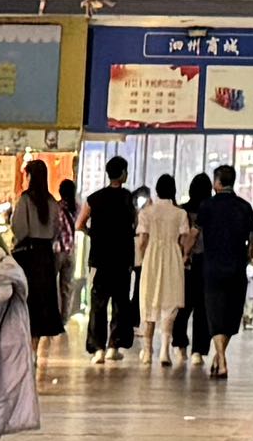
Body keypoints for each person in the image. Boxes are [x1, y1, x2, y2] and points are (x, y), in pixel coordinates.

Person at [195, 162, 253, 377]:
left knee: (214, 313)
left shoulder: (207, 206)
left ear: (217, 183)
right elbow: (252, 244)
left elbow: (195, 234)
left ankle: (220, 358)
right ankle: (220, 357)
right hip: (237, 268)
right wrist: (248, 259)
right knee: (231, 314)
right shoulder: (245, 207)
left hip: (212, 268)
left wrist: (185, 253)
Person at [136, 172, 196, 370]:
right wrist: (183, 255)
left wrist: (143, 257)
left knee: (149, 300)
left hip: (152, 257)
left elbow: (142, 240)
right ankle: (164, 351)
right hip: (172, 258)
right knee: (169, 303)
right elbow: (183, 239)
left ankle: (147, 351)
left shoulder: (146, 212)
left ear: (157, 190)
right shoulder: (180, 214)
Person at [81, 153, 138, 360]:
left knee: (98, 303)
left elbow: (80, 224)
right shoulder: (128, 198)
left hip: (99, 257)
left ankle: (98, 349)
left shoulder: (94, 198)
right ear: (122, 173)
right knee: (120, 302)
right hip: (122, 258)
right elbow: (135, 224)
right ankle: (115, 346)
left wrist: (92, 233)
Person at [7, 159, 66, 354]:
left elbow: (19, 228)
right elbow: (56, 230)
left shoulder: (25, 200)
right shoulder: (52, 202)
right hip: (46, 256)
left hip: (28, 256)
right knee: (42, 304)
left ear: (30, 176)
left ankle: (27, 350)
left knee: (27, 301)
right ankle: (35, 349)